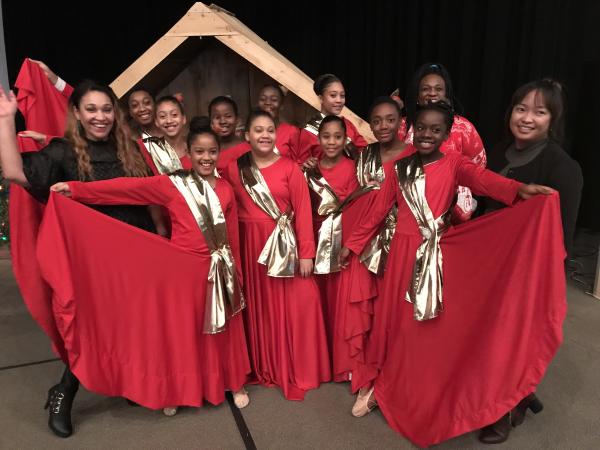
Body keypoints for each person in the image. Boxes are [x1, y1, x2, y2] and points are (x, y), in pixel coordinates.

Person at [339, 101, 565, 447]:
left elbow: (484, 180)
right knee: (392, 320)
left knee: (421, 327)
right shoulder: (399, 167)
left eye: (436, 130)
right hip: (400, 252)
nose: (427, 135)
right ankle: (379, 384)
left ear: (447, 134)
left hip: (432, 255)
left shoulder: (455, 162)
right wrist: (352, 245)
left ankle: (412, 387)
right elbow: (378, 209)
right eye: (422, 129)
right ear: (411, 130)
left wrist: (517, 190)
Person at [50, 125, 251, 416]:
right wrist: (78, 190)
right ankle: (179, 389)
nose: (206, 157)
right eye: (199, 152)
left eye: (212, 151)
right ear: (189, 154)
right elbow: (126, 188)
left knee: (224, 330)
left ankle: (233, 382)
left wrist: (238, 274)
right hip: (182, 271)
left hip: (218, 270)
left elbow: (232, 236)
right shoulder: (172, 184)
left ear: (218, 153)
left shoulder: (225, 190)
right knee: (185, 332)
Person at [0, 80, 156, 438]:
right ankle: (64, 392)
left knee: (128, 326)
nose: (100, 117)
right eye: (91, 109)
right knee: (86, 331)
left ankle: (126, 383)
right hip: (88, 262)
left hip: (134, 255)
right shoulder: (63, 152)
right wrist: (6, 121)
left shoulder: (130, 150)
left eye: (106, 109)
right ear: (77, 113)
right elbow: (14, 173)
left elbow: (149, 198)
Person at [477, 78, 583, 444]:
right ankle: (510, 393)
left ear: (553, 119)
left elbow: (562, 239)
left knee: (511, 340)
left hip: (526, 273)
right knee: (484, 336)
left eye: (539, 112)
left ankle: (507, 407)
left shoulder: (563, 167)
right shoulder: (497, 152)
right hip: (489, 263)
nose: (527, 118)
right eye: (521, 109)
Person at [226, 109, 330, 400]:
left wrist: (307, 253)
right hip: (250, 247)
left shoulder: (290, 168)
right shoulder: (234, 168)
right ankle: (264, 363)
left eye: (269, 130)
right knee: (262, 308)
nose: (264, 135)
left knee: (294, 304)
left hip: (284, 246)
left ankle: (294, 364)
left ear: (276, 134)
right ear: (246, 135)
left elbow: (304, 212)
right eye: (258, 130)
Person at [305, 115, 374, 383]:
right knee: (324, 302)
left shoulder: (354, 169)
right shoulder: (310, 168)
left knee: (342, 303)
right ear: (318, 139)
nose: (331, 142)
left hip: (344, 244)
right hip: (319, 240)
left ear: (345, 139)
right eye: (326, 137)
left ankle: (345, 364)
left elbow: (362, 209)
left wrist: (350, 244)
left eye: (337, 137)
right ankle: (326, 359)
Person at [399, 62, 487, 222]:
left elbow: (478, 166)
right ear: (417, 96)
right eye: (425, 89)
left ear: (446, 95)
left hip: (453, 217)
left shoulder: (463, 128)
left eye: (438, 89)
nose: (432, 93)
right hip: (409, 212)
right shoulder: (402, 127)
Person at [298, 73, 368, 168]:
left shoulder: (347, 124)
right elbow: (300, 165)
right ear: (321, 98)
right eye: (333, 95)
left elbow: (365, 153)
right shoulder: (308, 131)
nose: (339, 100)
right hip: (324, 182)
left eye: (342, 96)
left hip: (350, 180)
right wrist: (305, 165)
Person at [256, 84, 302, 162]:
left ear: (281, 105)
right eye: (263, 99)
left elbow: (298, 164)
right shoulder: (252, 131)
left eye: (273, 100)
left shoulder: (291, 132)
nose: (267, 102)